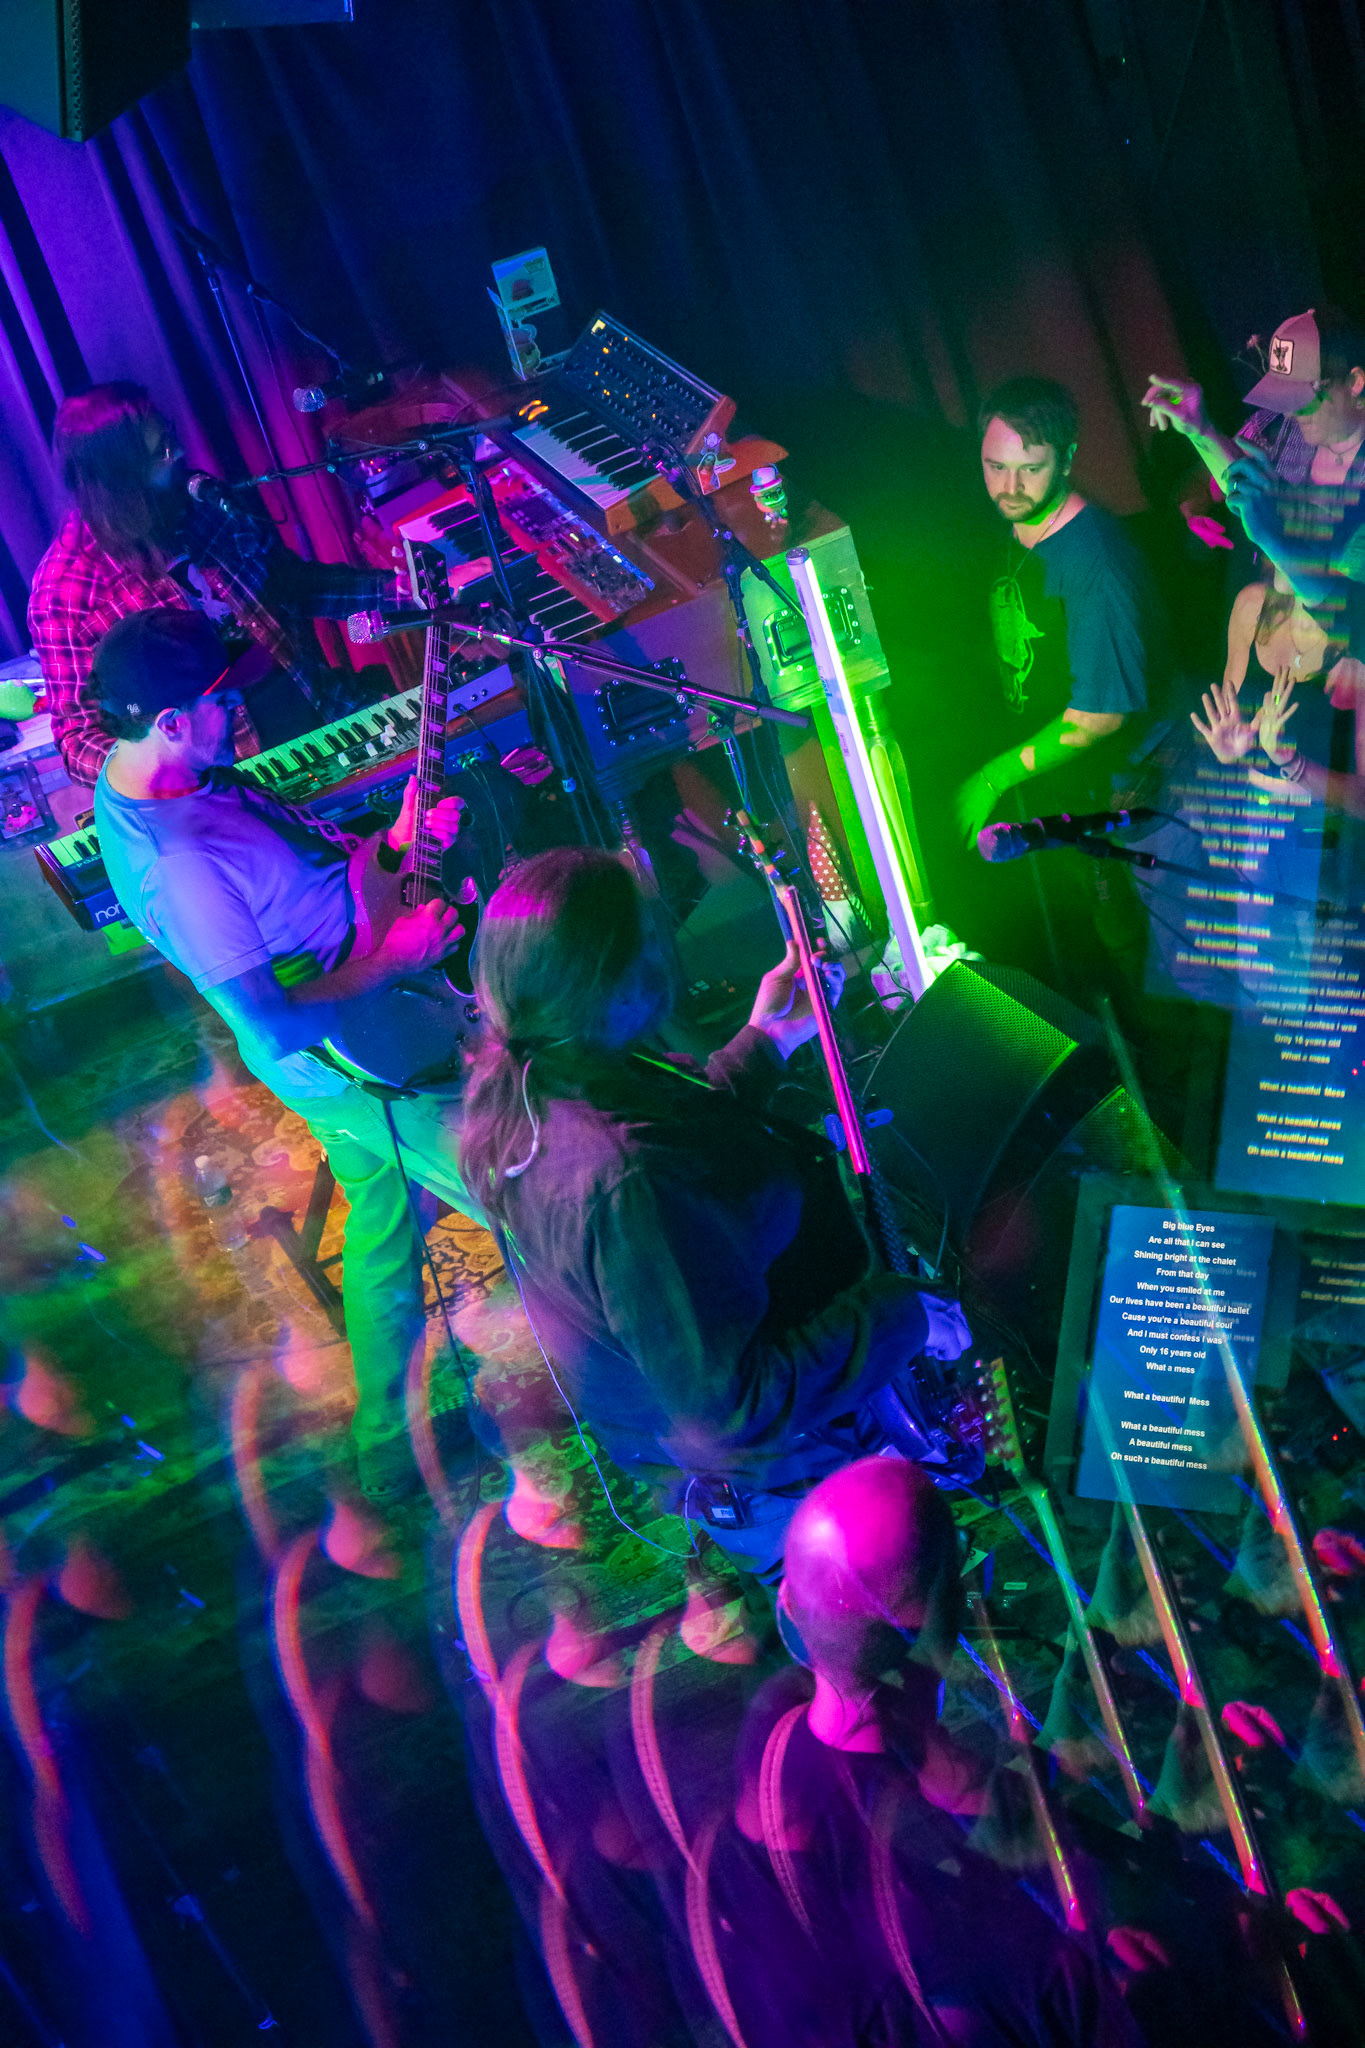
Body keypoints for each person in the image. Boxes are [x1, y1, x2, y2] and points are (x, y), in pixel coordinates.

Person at [457, 844, 971, 1582]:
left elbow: (685, 1152)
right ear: (622, 976)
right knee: (891, 1625)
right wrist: (904, 1316)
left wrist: (769, 1039)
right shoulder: (624, 1181)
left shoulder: (548, 1071)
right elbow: (733, 1411)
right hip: (793, 1478)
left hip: (778, 1455)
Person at [89, 604, 481, 1502]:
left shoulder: (164, 775)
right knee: (526, 1193)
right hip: (356, 1062)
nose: (239, 712)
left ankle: (387, 1449)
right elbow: (269, 1026)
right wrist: (400, 958)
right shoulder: (180, 863)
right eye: (220, 701)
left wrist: (391, 848)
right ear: (170, 720)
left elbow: (291, 886)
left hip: (354, 1016)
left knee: (384, 1220)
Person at [29, 381, 398, 788]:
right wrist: (173, 776)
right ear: (120, 480)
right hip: (232, 786)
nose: (179, 454)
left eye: (171, 437)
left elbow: (294, 585)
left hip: (327, 719)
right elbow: (78, 738)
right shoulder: (67, 591)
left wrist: (405, 591)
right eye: (161, 452)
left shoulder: (202, 507)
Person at [957, 377, 1159, 849]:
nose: (1009, 487)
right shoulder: (1016, 522)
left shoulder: (1094, 560)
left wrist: (993, 777)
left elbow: (1101, 715)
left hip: (1124, 797)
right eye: (995, 466)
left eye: (1030, 469)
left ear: (1066, 459)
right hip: (1058, 785)